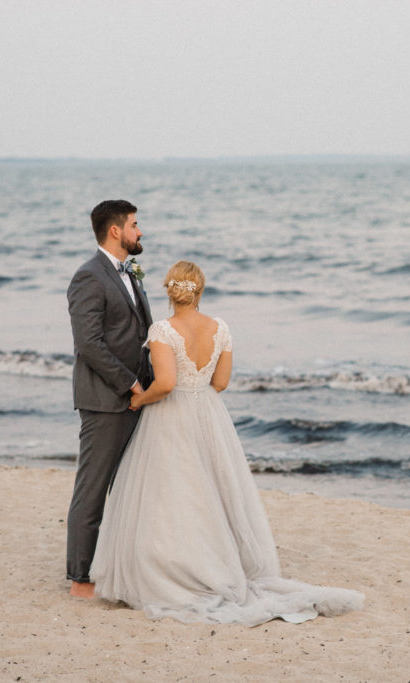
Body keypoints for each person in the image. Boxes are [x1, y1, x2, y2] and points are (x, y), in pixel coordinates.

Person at [90, 261, 363, 625]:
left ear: (169, 291)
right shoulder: (221, 328)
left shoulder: (162, 330)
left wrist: (139, 400)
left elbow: (166, 383)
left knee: (174, 491)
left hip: (171, 415)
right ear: (199, 290)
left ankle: (179, 566)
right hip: (209, 413)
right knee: (215, 489)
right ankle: (220, 560)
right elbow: (221, 382)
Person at [66, 199, 154, 599]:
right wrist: (131, 384)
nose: (141, 231)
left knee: (131, 487)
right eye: (135, 224)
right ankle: (80, 578)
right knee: (93, 488)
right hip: (105, 400)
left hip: (139, 398)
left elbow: (140, 334)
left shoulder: (128, 273)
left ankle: (117, 566)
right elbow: (89, 344)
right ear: (116, 231)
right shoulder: (89, 276)